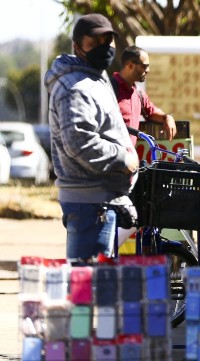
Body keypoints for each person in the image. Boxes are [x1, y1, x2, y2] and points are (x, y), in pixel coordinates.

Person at [44, 14, 139, 259]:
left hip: (99, 199)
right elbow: (79, 142)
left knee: (94, 277)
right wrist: (122, 158)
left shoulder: (94, 76)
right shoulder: (75, 88)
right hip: (90, 202)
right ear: (77, 46)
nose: (103, 47)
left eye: (108, 40)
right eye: (94, 41)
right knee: (87, 278)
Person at [111, 46, 177, 143]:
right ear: (130, 66)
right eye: (144, 66)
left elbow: (151, 112)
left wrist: (168, 117)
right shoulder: (109, 89)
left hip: (129, 152)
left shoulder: (138, 93)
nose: (148, 70)